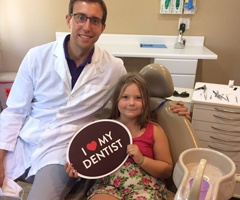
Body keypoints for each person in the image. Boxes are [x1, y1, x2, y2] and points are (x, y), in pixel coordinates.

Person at [0, 0, 190, 199]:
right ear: (69, 20)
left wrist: (168, 107)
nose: (87, 27)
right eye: (80, 17)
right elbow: (14, 111)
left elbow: (134, 94)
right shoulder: (36, 56)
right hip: (26, 139)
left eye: (95, 21)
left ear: (102, 28)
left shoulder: (113, 67)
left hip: (63, 150)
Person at [65, 73, 173, 199]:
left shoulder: (154, 130)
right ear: (116, 100)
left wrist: (142, 160)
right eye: (125, 97)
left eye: (138, 98)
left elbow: (166, 170)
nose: (131, 103)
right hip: (108, 186)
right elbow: (93, 160)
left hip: (145, 188)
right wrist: (80, 170)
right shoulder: (103, 129)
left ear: (146, 102)